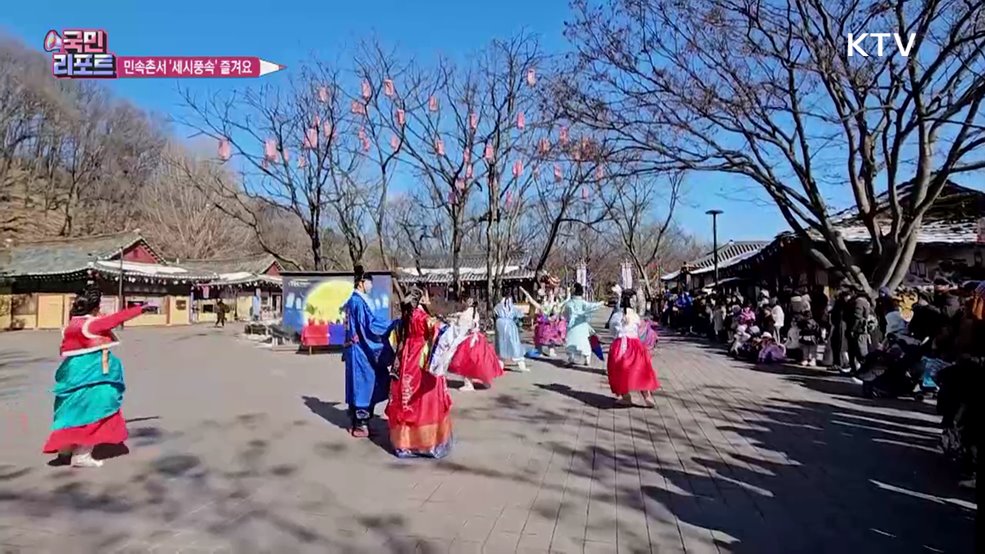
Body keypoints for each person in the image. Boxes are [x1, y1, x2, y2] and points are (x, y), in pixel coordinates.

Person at [43, 282, 151, 468]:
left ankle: (65, 451)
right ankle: (82, 455)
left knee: (70, 410)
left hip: (72, 371)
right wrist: (140, 309)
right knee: (95, 408)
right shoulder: (91, 325)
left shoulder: (71, 325)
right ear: (95, 307)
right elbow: (116, 319)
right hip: (93, 372)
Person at [386, 287, 453, 458]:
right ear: (420, 299)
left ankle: (405, 442)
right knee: (425, 397)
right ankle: (426, 442)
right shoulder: (422, 317)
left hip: (406, 357)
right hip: (421, 356)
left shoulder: (405, 316)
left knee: (406, 395)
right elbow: (437, 330)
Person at [342, 265, 396, 438]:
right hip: (361, 350)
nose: (371, 286)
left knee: (366, 382)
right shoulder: (358, 302)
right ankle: (360, 423)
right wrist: (391, 325)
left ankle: (361, 421)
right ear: (361, 283)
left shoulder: (356, 300)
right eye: (369, 282)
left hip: (357, 348)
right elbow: (370, 326)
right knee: (364, 384)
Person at [607, 290, 659, 407]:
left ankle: (626, 396)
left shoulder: (616, 316)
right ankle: (647, 396)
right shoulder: (635, 316)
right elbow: (640, 330)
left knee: (619, 370)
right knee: (641, 369)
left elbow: (612, 331)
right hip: (635, 345)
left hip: (620, 346)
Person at [447, 297, 504, 391]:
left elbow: (461, 327)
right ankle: (485, 380)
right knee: (480, 361)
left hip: (468, 339)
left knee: (465, 362)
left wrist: (453, 322)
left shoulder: (465, 314)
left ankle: (468, 384)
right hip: (478, 338)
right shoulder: (474, 312)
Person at [563, 283, 606, 367]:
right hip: (582, 325)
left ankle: (571, 356)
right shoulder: (583, 303)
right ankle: (587, 357)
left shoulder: (569, 303)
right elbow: (591, 306)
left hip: (572, 326)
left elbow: (565, 313)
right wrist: (600, 303)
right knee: (584, 342)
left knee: (571, 341)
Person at [494, 293, 527, 372]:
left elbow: (495, 312)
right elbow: (519, 314)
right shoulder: (511, 307)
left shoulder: (499, 306)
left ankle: (500, 365)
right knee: (514, 344)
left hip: (500, 325)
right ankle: (520, 364)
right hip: (509, 325)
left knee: (501, 344)